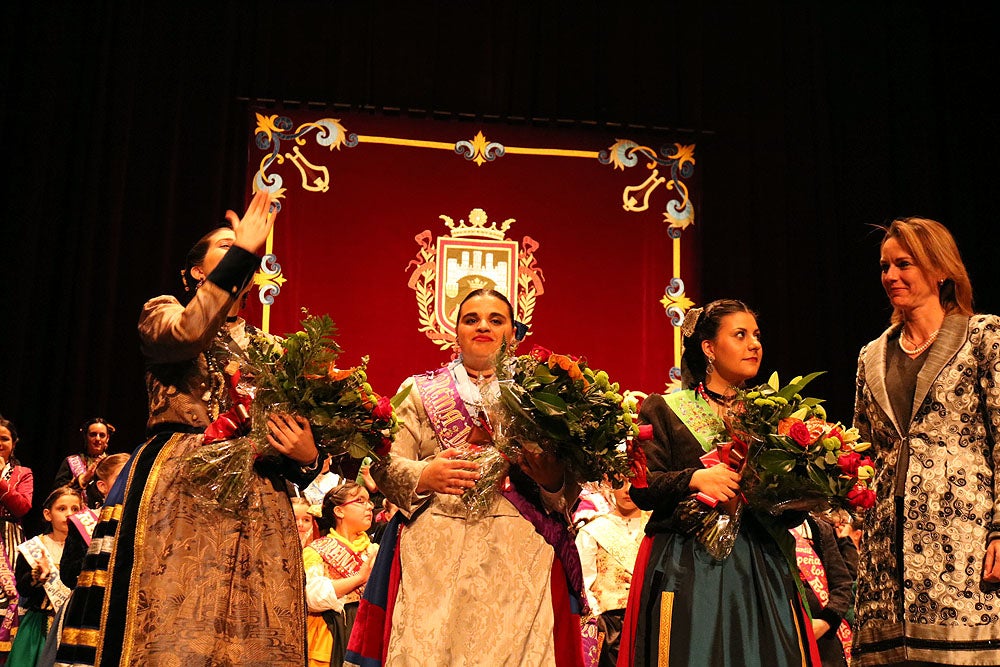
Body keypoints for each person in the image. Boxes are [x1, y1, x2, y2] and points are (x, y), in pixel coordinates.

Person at [55, 189, 321, 667]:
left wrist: (307, 457)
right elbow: (188, 334)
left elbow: (292, 433)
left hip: (259, 488)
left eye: (240, 247)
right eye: (224, 244)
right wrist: (242, 254)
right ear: (199, 270)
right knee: (176, 622)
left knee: (256, 622)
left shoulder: (274, 349)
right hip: (182, 482)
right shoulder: (161, 313)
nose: (239, 245)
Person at [346, 288, 584, 667]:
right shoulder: (419, 390)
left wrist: (552, 478)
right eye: (471, 319)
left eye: (496, 319)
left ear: (514, 332)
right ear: (454, 332)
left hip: (520, 550)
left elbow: (565, 490)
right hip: (434, 550)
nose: (483, 326)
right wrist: (427, 474)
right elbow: (384, 465)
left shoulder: (545, 394)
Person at [618, 299, 818, 666]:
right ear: (709, 348)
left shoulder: (775, 418)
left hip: (760, 564)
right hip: (689, 564)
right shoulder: (663, 409)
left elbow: (789, 513)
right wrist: (695, 478)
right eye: (740, 335)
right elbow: (643, 490)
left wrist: (802, 491)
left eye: (756, 335)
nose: (754, 344)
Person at [852, 217, 1000, 666]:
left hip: (963, 541)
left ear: (940, 270)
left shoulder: (983, 337)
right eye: (884, 267)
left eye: (904, 264)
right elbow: (861, 450)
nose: (891, 276)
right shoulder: (871, 356)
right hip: (884, 547)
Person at [576, 481, 649, 667]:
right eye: (621, 482)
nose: (627, 489)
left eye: (633, 481)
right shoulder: (593, 530)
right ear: (610, 484)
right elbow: (583, 582)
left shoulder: (657, 525)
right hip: (611, 627)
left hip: (650, 619)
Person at [304, 482, 377, 667]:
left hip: (369, 635)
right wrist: (359, 578)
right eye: (360, 501)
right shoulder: (317, 550)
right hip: (328, 635)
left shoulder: (375, 551)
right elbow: (312, 597)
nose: (369, 507)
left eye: (369, 502)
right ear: (339, 511)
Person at [7, 486, 82, 665]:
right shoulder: (34, 548)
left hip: (73, 628)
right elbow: (23, 590)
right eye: (61, 509)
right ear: (48, 514)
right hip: (39, 629)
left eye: (75, 509)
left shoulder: (85, 548)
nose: (69, 514)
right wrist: (37, 576)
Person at [789, 513, 855, 667]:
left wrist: (826, 622)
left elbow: (842, 582)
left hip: (825, 638)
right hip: (785, 635)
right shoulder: (761, 526)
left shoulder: (819, 528)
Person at [0, 415, 32, 661]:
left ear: (14, 442)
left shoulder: (23, 473)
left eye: (4, 438)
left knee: (9, 596)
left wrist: (1, 482)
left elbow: (22, 507)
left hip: (9, 537)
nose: (0, 443)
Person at [52, 418, 115, 509]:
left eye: (102, 435)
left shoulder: (113, 463)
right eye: (93, 434)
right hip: (76, 514)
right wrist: (84, 480)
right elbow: (57, 494)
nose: (97, 439)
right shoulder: (71, 461)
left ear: (107, 438)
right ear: (85, 436)